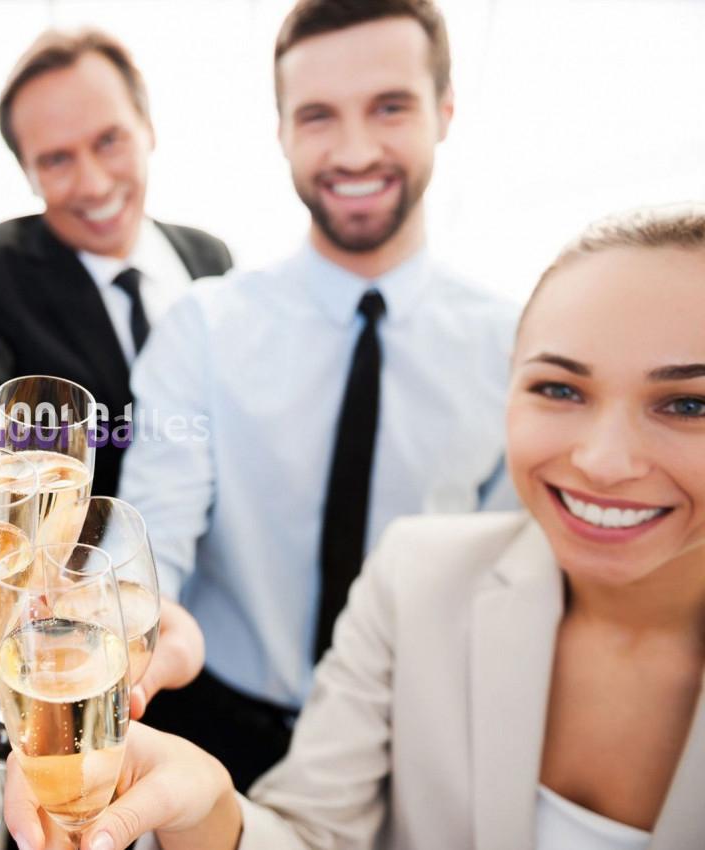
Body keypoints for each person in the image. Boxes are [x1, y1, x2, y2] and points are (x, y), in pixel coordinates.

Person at [8, 204, 705, 850]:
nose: (603, 462)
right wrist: (209, 801)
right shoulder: (417, 575)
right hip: (228, 710)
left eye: (688, 405)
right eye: (559, 389)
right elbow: (313, 835)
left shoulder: (485, 332)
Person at [118, 0, 519, 789]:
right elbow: (153, 536)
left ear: (445, 110)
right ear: (281, 132)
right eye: (318, 115)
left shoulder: (515, 350)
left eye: (390, 107)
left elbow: (508, 579)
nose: (355, 149)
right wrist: (130, 617)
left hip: (421, 738)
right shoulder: (202, 329)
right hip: (216, 729)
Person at [0, 27, 234, 499]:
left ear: (148, 129)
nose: (94, 185)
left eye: (109, 140)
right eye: (57, 160)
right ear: (28, 173)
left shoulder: (209, 257)